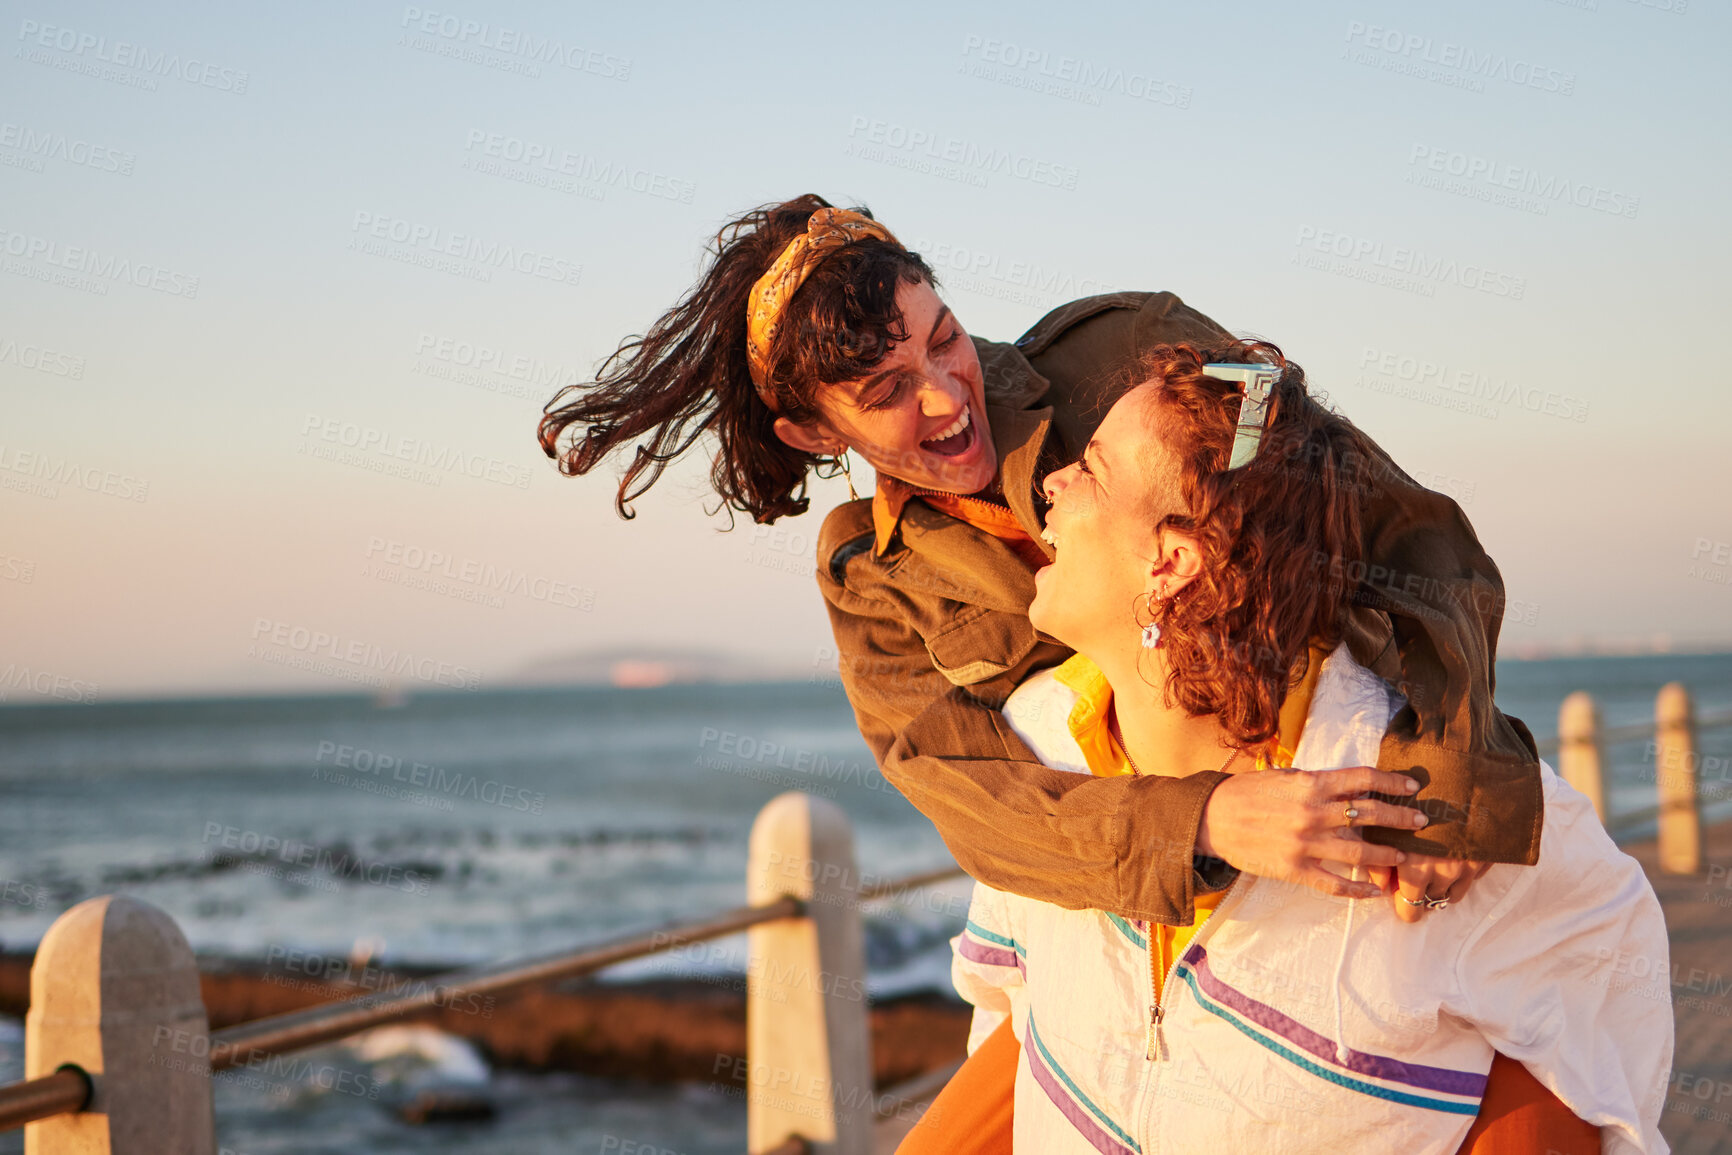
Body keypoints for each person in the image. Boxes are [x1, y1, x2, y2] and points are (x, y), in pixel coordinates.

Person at [540, 195, 1554, 1149]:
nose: (945, 397)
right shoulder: (868, 573)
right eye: (885, 392)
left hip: (1334, 844)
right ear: (813, 432)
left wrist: (1451, 779)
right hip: (1097, 937)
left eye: (941, 340)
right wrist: (1199, 820)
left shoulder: (1120, 353)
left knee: (1525, 1070)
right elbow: (975, 799)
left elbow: (1412, 538)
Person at [944, 339, 1670, 1154]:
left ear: (1171, 561)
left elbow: (1605, 955)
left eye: (1094, 469)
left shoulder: (1418, 799)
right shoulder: (1040, 749)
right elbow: (1023, 1011)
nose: (1052, 478)